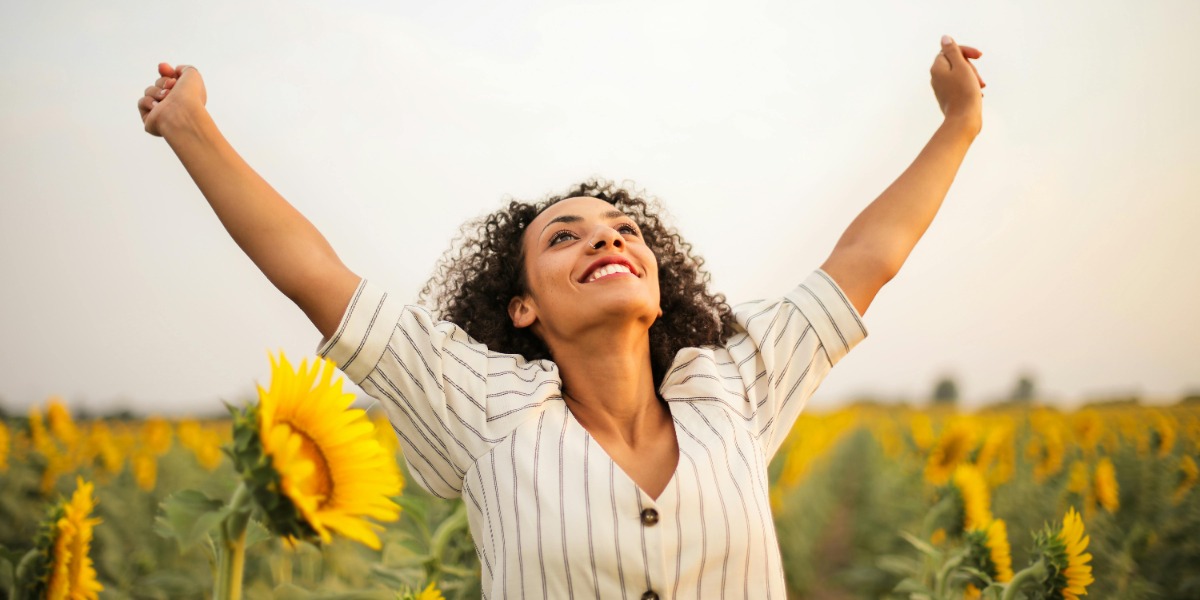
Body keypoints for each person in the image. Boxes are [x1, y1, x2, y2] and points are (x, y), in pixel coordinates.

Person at [138, 34, 985, 599]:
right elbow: (315, 276)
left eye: (624, 231)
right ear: (523, 306)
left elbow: (866, 259)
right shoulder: (480, 408)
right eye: (564, 237)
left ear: (657, 286)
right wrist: (190, 127)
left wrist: (959, 124)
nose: (606, 239)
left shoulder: (733, 385)